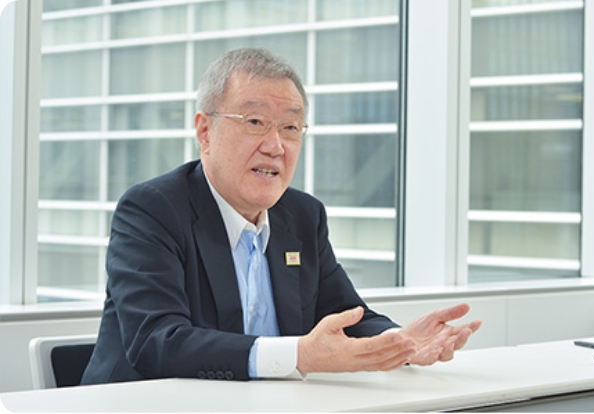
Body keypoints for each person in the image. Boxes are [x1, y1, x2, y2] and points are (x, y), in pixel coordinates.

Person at [81, 47, 482, 384]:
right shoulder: (152, 210)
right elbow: (157, 341)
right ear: (205, 132)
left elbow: (345, 315)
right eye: (255, 122)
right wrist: (298, 355)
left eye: (291, 127)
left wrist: (400, 342)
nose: (275, 146)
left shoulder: (303, 215)